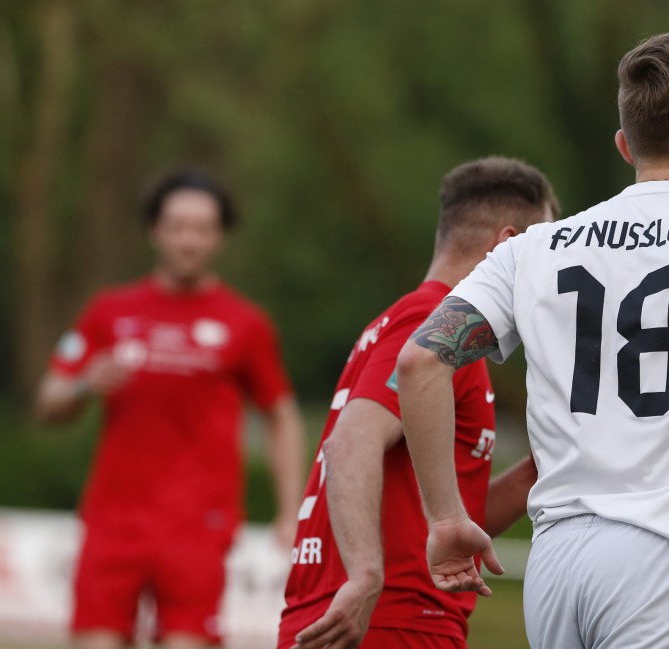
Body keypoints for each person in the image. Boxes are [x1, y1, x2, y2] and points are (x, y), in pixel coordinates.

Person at [397, 32, 669, 648]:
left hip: (557, 565)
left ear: (626, 144)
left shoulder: (534, 249)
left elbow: (419, 362)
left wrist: (446, 518)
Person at [277, 156, 559, 649]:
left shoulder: (400, 323)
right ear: (509, 245)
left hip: (364, 617)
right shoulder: (437, 330)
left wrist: (553, 463)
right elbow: (350, 442)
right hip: (394, 619)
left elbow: (447, 515)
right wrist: (365, 575)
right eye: (546, 253)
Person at [35, 168, 307, 649]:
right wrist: (83, 384)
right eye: (178, 226)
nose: (189, 240)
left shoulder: (245, 323)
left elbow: (281, 415)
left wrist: (291, 512)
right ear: (154, 230)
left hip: (198, 525)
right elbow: (48, 401)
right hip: (112, 522)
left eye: (203, 229)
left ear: (220, 236)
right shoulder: (109, 311)